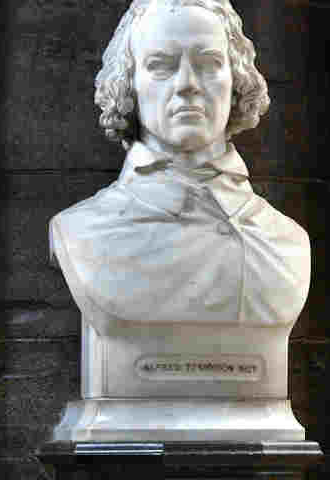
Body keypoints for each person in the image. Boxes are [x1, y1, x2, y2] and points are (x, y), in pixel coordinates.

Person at [50, 0, 310, 338]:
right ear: (130, 85)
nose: (187, 83)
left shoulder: (286, 242)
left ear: (236, 80)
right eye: (161, 64)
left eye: (209, 63)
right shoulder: (82, 232)